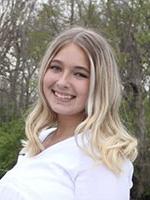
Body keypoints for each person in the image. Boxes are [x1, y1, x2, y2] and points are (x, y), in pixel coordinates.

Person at [0, 26, 137, 200]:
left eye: (79, 74)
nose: (62, 82)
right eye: (56, 68)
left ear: (100, 84)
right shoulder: (41, 139)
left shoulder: (102, 158)